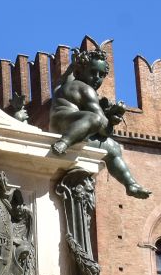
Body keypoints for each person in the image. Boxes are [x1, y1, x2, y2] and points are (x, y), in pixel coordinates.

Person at [48, 47, 152, 198]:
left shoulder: (64, 85)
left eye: (101, 74)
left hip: (65, 126)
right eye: (93, 72)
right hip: (68, 127)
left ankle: (131, 184)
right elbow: (102, 126)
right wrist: (112, 119)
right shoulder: (86, 90)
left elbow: (65, 77)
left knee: (112, 148)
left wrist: (74, 64)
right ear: (80, 72)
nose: (97, 78)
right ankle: (64, 143)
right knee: (96, 121)